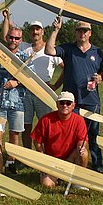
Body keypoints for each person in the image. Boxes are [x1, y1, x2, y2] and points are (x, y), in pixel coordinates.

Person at [45, 17, 103, 173]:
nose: (82, 34)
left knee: (93, 134)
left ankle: (97, 165)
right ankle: (72, 163)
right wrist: (56, 30)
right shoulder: (68, 49)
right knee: (72, 134)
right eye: (79, 31)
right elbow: (49, 50)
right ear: (76, 33)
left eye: (85, 31)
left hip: (91, 100)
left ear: (90, 33)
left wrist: (100, 77)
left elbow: (102, 71)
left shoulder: (97, 51)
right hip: (70, 102)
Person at [0, 24, 27, 173]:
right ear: (7, 37)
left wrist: (16, 82)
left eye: (17, 38)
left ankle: (11, 161)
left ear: (21, 40)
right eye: (11, 37)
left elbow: (31, 79)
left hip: (18, 103)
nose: (13, 40)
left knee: (15, 133)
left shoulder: (25, 57)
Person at [19, 19, 63, 150]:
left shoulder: (49, 49)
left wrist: (55, 86)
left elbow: (66, 68)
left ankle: (46, 153)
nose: (35, 32)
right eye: (32, 29)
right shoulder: (23, 47)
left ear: (42, 32)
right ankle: (27, 153)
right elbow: (6, 37)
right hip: (25, 91)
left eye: (38, 29)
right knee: (25, 125)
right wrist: (6, 19)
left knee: (45, 124)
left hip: (43, 91)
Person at [30, 91, 89, 188]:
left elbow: (82, 141)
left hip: (70, 159)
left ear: (73, 105)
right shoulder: (46, 120)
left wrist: (80, 148)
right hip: (52, 162)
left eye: (68, 103)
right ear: (57, 104)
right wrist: (42, 158)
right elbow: (37, 141)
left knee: (84, 153)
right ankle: (55, 178)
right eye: (62, 103)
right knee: (47, 184)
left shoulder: (79, 120)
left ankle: (78, 180)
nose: (65, 105)